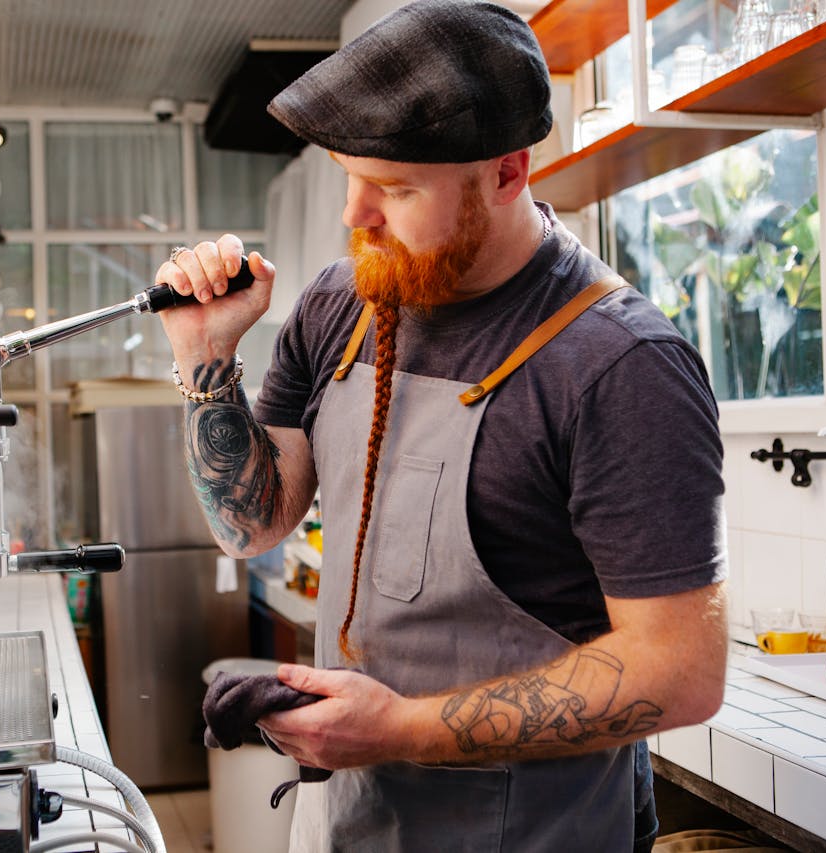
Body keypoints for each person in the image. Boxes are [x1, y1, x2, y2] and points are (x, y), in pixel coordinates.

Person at [155, 1, 728, 850]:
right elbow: (251, 524)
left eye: (392, 188)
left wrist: (402, 729)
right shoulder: (341, 303)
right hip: (346, 819)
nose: (356, 216)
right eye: (352, 176)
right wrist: (206, 363)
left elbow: (681, 674)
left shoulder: (618, 362)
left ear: (507, 173)